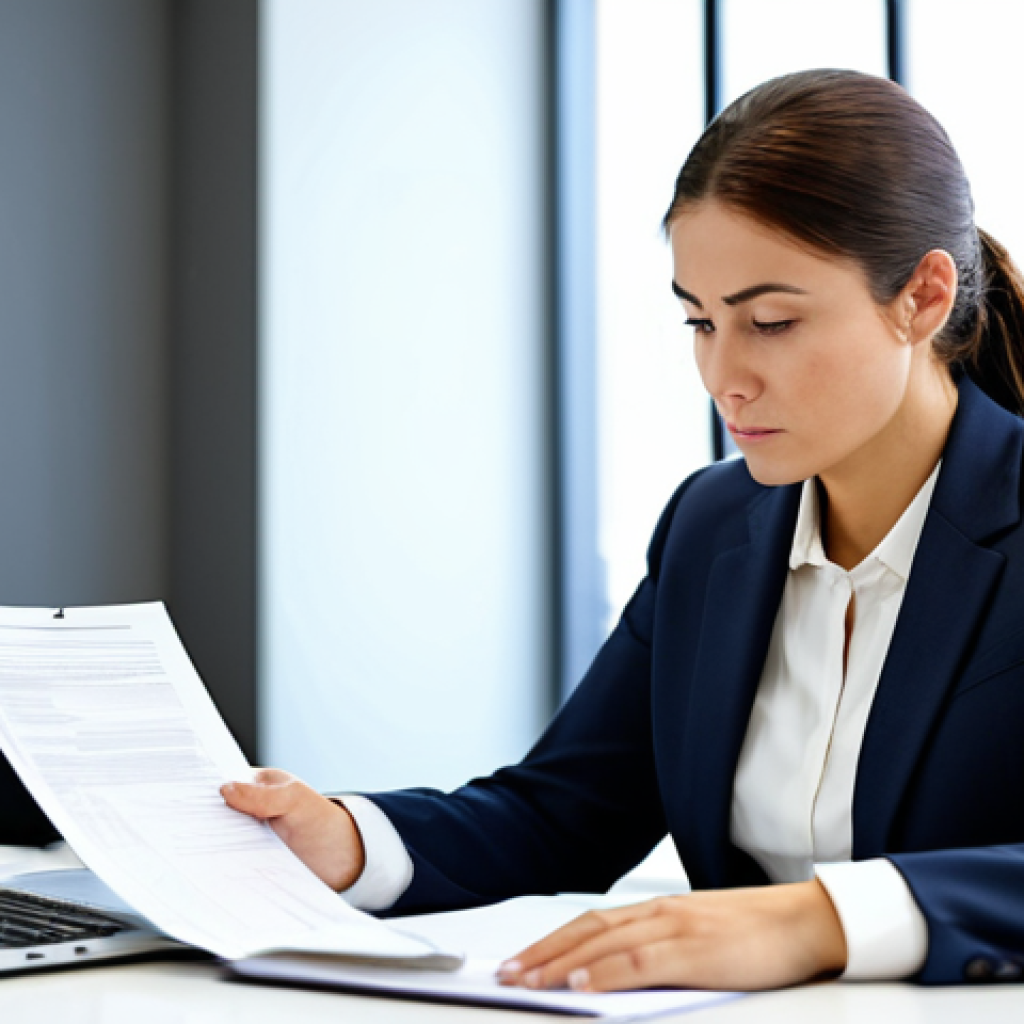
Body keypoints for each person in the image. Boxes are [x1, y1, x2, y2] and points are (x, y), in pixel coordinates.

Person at [222, 69, 1024, 991]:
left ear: (922, 297)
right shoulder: (713, 525)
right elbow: (565, 814)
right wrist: (348, 839)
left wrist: (817, 921)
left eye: (772, 321)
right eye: (699, 321)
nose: (724, 375)